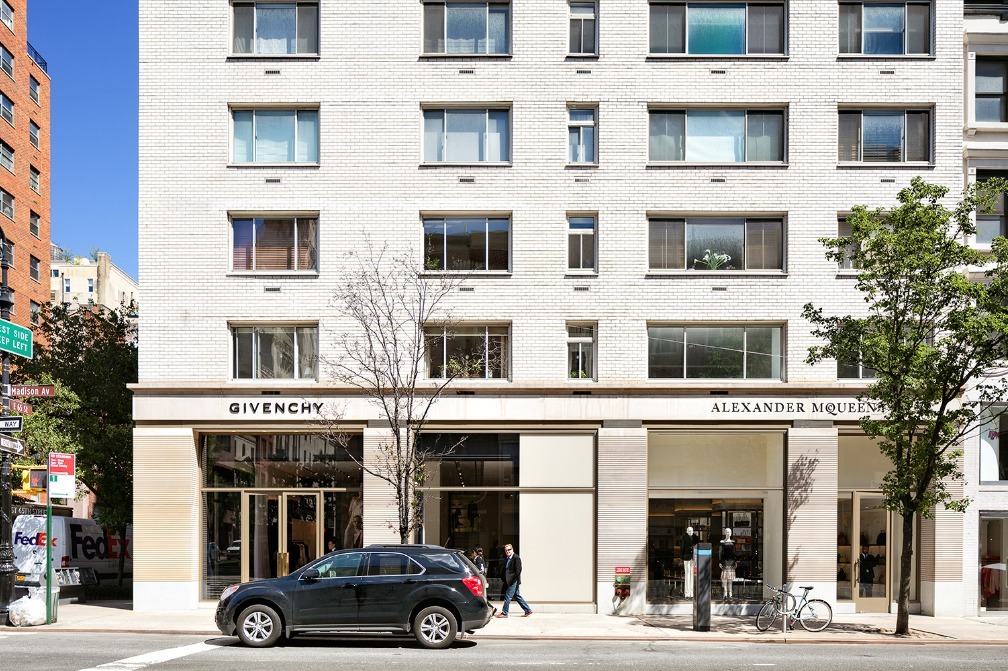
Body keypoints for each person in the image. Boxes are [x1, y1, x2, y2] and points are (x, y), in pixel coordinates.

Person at [496, 543, 533, 617]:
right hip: (509, 580)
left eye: (509, 550)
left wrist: (513, 580)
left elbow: (518, 571)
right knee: (517, 596)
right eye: (506, 550)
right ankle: (528, 610)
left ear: (512, 549)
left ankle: (504, 613)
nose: (507, 551)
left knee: (507, 596)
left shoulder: (516, 558)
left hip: (513, 581)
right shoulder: (507, 558)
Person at [719, 527, 736, 600]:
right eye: (727, 532)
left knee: (730, 580)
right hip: (724, 562)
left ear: (731, 533)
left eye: (729, 532)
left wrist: (735, 562)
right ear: (725, 533)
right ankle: (725, 594)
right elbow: (720, 552)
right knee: (725, 579)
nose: (728, 533)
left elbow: (735, 553)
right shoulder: (722, 542)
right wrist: (719, 561)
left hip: (731, 562)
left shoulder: (733, 542)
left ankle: (730, 594)